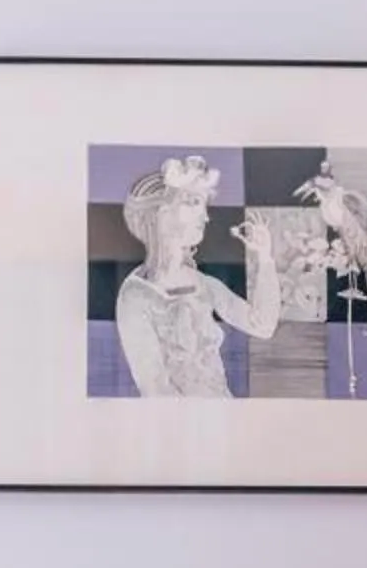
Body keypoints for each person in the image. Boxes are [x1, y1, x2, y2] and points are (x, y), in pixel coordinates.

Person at [115, 155, 278, 397]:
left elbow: (263, 326)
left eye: (203, 204)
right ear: (161, 212)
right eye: (192, 202)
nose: (205, 216)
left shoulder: (202, 284)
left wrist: (265, 258)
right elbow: (155, 388)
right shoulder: (135, 296)